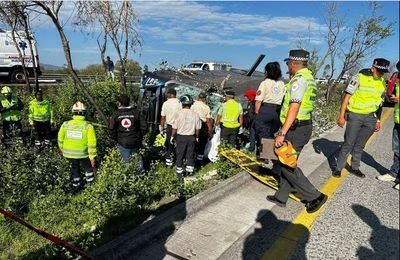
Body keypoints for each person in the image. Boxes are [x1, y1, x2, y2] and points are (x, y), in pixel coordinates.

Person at [268, 49, 327, 214]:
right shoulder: (310, 78)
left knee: (286, 164)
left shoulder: (299, 81)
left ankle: (314, 196)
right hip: (302, 126)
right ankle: (281, 196)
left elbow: (294, 106)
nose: (288, 66)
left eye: (288, 63)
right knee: (287, 161)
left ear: (293, 63)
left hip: (296, 128)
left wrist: (282, 133)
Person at [333, 58, 390, 178]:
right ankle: (339, 168)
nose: (381, 74)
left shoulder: (382, 81)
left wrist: (378, 120)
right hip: (355, 115)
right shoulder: (358, 77)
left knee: (360, 145)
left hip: (370, 117)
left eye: (383, 72)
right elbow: (347, 96)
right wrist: (341, 115)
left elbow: (380, 103)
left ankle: (355, 167)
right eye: (379, 71)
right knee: (348, 143)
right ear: (373, 68)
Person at [58, 101, 97, 193]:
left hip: (69, 154)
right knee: (88, 168)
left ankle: (76, 187)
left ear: (73, 112)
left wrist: (62, 149)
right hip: (83, 154)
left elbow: (60, 139)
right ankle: (90, 186)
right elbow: (92, 143)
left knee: (75, 169)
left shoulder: (65, 124)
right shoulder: (88, 126)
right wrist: (92, 157)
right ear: (84, 113)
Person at [376, 61, 399, 190]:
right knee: (397, 149)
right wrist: (391, 97)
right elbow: (390, 96)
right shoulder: (396, 77)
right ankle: (395, 173)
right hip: (398, 119)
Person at [254, 62, 286, 152]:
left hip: (266, 109)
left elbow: (258, 100)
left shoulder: (264, 83)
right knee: (272, 132)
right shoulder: (282, 84)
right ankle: (271, 153)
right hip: (277, 111)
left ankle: (265, 156)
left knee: (263, 133)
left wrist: (257, 113)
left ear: (267, 72)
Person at [109, 94, 145, 172]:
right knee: (138, 161)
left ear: (119, 103)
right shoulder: (136, 112)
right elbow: (144, 127)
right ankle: (141, 177)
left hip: (123, 142)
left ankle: (128, 178)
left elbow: (111, 129)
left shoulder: (116, 114)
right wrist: (139, 137)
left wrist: (116, 139)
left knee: (126, 163)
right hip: (135, 141)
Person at [171, 95, 201, 175]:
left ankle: (179, 172)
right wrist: (197, 137)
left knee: (180, 154)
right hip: (191, 137)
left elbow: (174, 128)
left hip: (181, 137)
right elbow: (197, 129)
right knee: (190, 154)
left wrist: (172, 136)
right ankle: (190, 171)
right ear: (191, 104)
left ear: (182, 104)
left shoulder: (178, 114)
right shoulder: (195, 114)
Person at [160, 88, 182, 166]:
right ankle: (178, 161)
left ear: (171, 94)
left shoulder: (165, 104)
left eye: (168, 93)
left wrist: (161, 128)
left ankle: (168, 161)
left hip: (170, 127)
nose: (167, 95)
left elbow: (163, 117)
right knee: (179, 144)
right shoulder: (180, 103)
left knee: (169, 144)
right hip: (179, 127)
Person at [191, 92, 212, 161]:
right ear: (205, 99)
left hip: (193, 125)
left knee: (193, 143)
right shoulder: (206, 107)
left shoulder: (193, 105)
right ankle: (199, 160)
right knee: (202, 143)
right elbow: (208, 120)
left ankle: (192, 158)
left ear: (198, 98)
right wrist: (210, 130)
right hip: (203, 126)